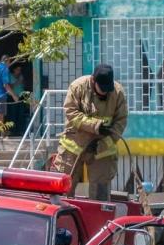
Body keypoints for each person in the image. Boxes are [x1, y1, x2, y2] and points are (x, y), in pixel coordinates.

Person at [51, 64, 128, 201]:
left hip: (102, 151)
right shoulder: (77, 87)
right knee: (62, 193)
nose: (105, 93)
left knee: (100, 196)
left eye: (107, 89)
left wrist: (104, 143)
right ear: (93, 80)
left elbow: (120, 122)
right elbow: (71, 113)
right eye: (102, 89)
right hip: (73, 148)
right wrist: (96, 126)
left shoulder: (118, 93)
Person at [0, 55, 19, 135]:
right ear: (7, 61)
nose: (9, 64)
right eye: (9, 62)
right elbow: (5, 85)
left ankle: (2, 132)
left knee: (2, 113)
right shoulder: (4, 69)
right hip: (1, 94)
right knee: (0, 113)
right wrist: (14, 95)